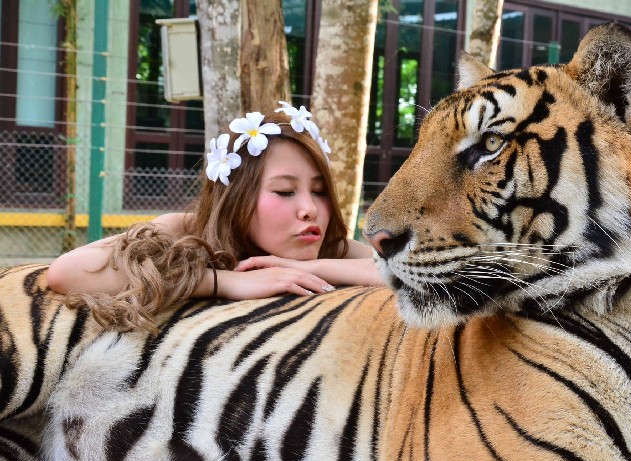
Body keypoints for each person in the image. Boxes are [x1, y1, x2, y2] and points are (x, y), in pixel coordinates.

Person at [47, 102, 382, 333]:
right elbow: (67, 272)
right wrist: (225, 282)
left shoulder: (328, 247)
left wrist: (308, 268)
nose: (309, 208)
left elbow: (400, 271)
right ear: (236, 198)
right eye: (284, 191)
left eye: (320, 191)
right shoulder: (185, 229)